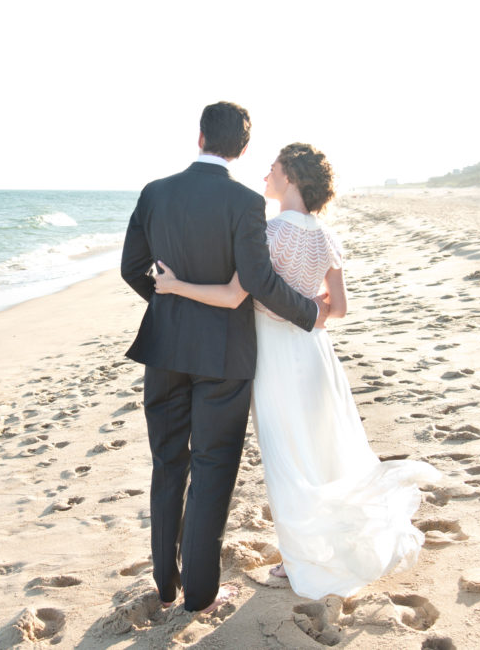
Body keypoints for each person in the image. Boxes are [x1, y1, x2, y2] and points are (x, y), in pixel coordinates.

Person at [151, 142, 441, 600]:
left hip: (273, 357)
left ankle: (298, 561)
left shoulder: (268, 233)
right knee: (320, 450)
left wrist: (174, 285)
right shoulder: (326, 237)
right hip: (315, 352)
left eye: (272, 168)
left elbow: (231, 297)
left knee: (287, 456)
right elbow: (339, 309)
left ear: (290, 178)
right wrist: (308, 312)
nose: (265, 175)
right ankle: (314, 548)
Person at [120, 103, 323, 613]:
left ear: (200, 137)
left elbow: (131, 268)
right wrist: (308, 313)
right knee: (212, 470)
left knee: (168, 464)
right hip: (225, 356)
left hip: (165, 347)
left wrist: (169, 304)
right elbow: (255, 280)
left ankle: (165, 586)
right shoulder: (244, 200)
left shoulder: (154, 192)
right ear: (242, 149)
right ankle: (201, 598)